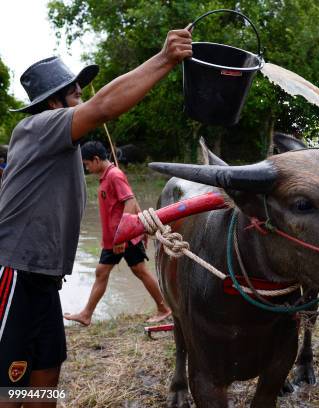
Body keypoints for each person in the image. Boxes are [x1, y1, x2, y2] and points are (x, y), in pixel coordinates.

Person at [0, 27, 191, 395]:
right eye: (75, 93)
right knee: (8, 387)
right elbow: (104, 105)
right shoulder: (37, 127)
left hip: (45, 280)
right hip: (16, 273)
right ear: (53, 105)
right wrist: (165, 59)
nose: (83, 97)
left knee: (46, 376)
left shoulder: (62, 148)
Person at [63, 142, 171, 326]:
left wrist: (125, 235)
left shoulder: (114, 175)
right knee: (102, 272)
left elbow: (130, 202)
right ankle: (86, 314)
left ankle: (164, 308)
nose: (87, 168)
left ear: (96, 159)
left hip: (124, 238)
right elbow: (129, 202)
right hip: (114, 239)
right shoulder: (107, 176)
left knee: (139, 271)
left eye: (87, 164)